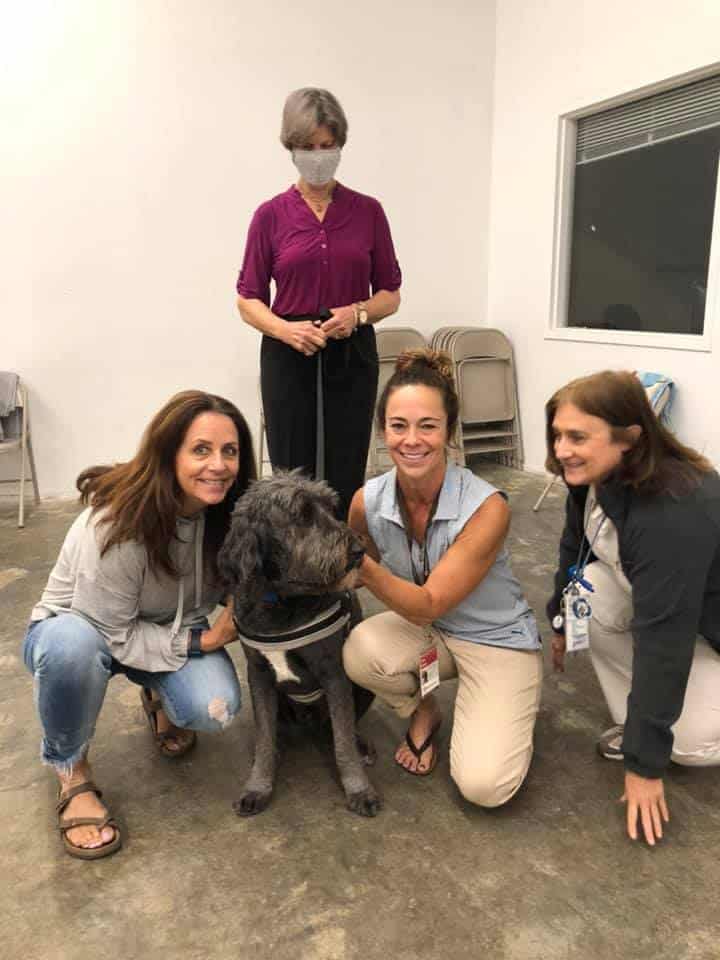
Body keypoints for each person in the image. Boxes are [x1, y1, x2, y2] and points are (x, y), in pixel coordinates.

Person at [23, 390, 256, 859]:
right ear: (169, 454)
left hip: (165, 629)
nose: (219, 465)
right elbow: (111, 633)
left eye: (230, 451)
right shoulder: (118, 522)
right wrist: (206, 638)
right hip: (85, 629)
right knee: (73, 648)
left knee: (216, 706)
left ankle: (157, 693)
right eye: (201, 450)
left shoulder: (228, 517)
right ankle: (73, 770)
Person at [342, 351, 542, 807]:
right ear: (382, 431)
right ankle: (424, 710)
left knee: (484, 787)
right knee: (359, 652)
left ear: (449, 432)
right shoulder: (366, 501)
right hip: (428, 632)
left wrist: (353, 560)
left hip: (494, 637)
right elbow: (350, 577)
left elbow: (425, 600)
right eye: (398, 426)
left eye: (427, 426)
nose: (412, 440)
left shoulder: (488, 507)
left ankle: (510, 706)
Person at [546, 371, 720, 846]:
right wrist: (560, 622)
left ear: (630, 439)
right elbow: (573, 547)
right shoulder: (594, 476)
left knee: (689, 745)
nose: (562, 449)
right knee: (584, 592)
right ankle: (641, 720)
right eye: (559, 434)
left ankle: (655, 732)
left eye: (578, 436)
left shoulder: (674, 510)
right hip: (681, 614)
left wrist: (644, 766)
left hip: (700, 627)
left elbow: (665, 640)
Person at [236, 86, 401, 519]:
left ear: (341, 145)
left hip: (352, 348)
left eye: (327, 146)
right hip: (288, 349)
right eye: (308, 146)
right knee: (292, 467)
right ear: (290, 147)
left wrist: (358, 313)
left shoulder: (369, 212)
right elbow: (247, 298)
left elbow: (391, 294)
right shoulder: (269, 216)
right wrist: (284, 329)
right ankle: (294, 563)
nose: (318, 155)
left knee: (347, 462)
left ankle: (341, 563)